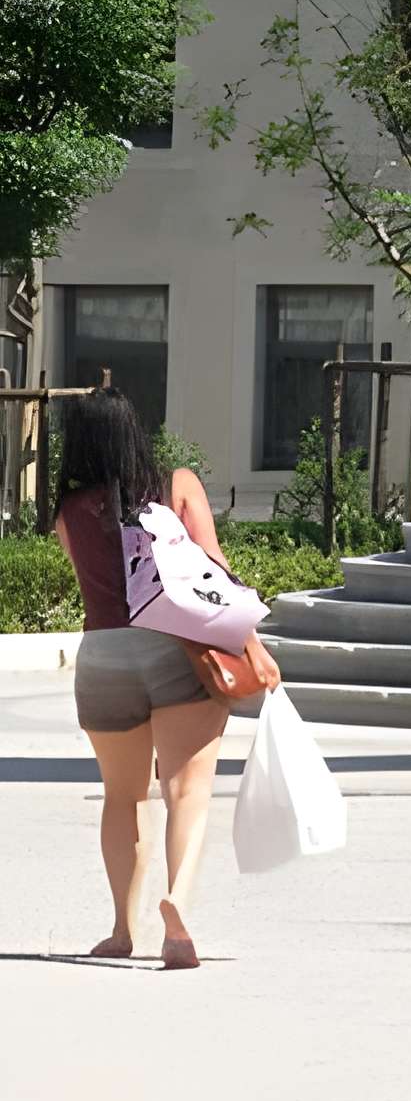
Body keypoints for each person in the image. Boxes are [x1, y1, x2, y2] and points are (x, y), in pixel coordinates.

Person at [50, 387, 271, 967]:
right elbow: (212, 574)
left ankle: (122, 930)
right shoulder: (177, 488)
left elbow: (97, 583)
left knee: (122, 797)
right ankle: (176, 912)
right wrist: (251, 642)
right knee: (186, 791)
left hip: (102, 656)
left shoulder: (67, 513)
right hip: (175, 651)